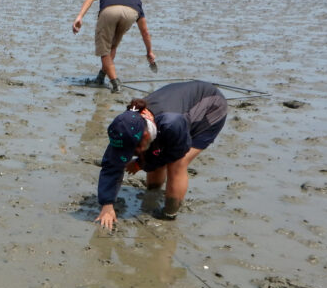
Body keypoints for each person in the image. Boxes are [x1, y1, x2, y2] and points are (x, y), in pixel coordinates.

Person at [94, 79, 228, 229]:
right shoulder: (124, 126)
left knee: (177, 163)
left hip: (210, 107)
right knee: (154, 156)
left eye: (133, 150)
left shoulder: (171, 124)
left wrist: (140, 163)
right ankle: (153, 193)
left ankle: (169, 214)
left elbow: (174, 153)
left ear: (145, 137)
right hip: (174, 110)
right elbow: (112, 164)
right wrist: (107, 204)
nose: (130, 154)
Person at [72, 0, 155, 92]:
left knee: (104, 50)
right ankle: (100, 78)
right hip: (131, 13)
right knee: (112, 46)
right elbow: (145, 32)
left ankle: (115, 83)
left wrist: (80, 16)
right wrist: (149, 51)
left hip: (109, 11)